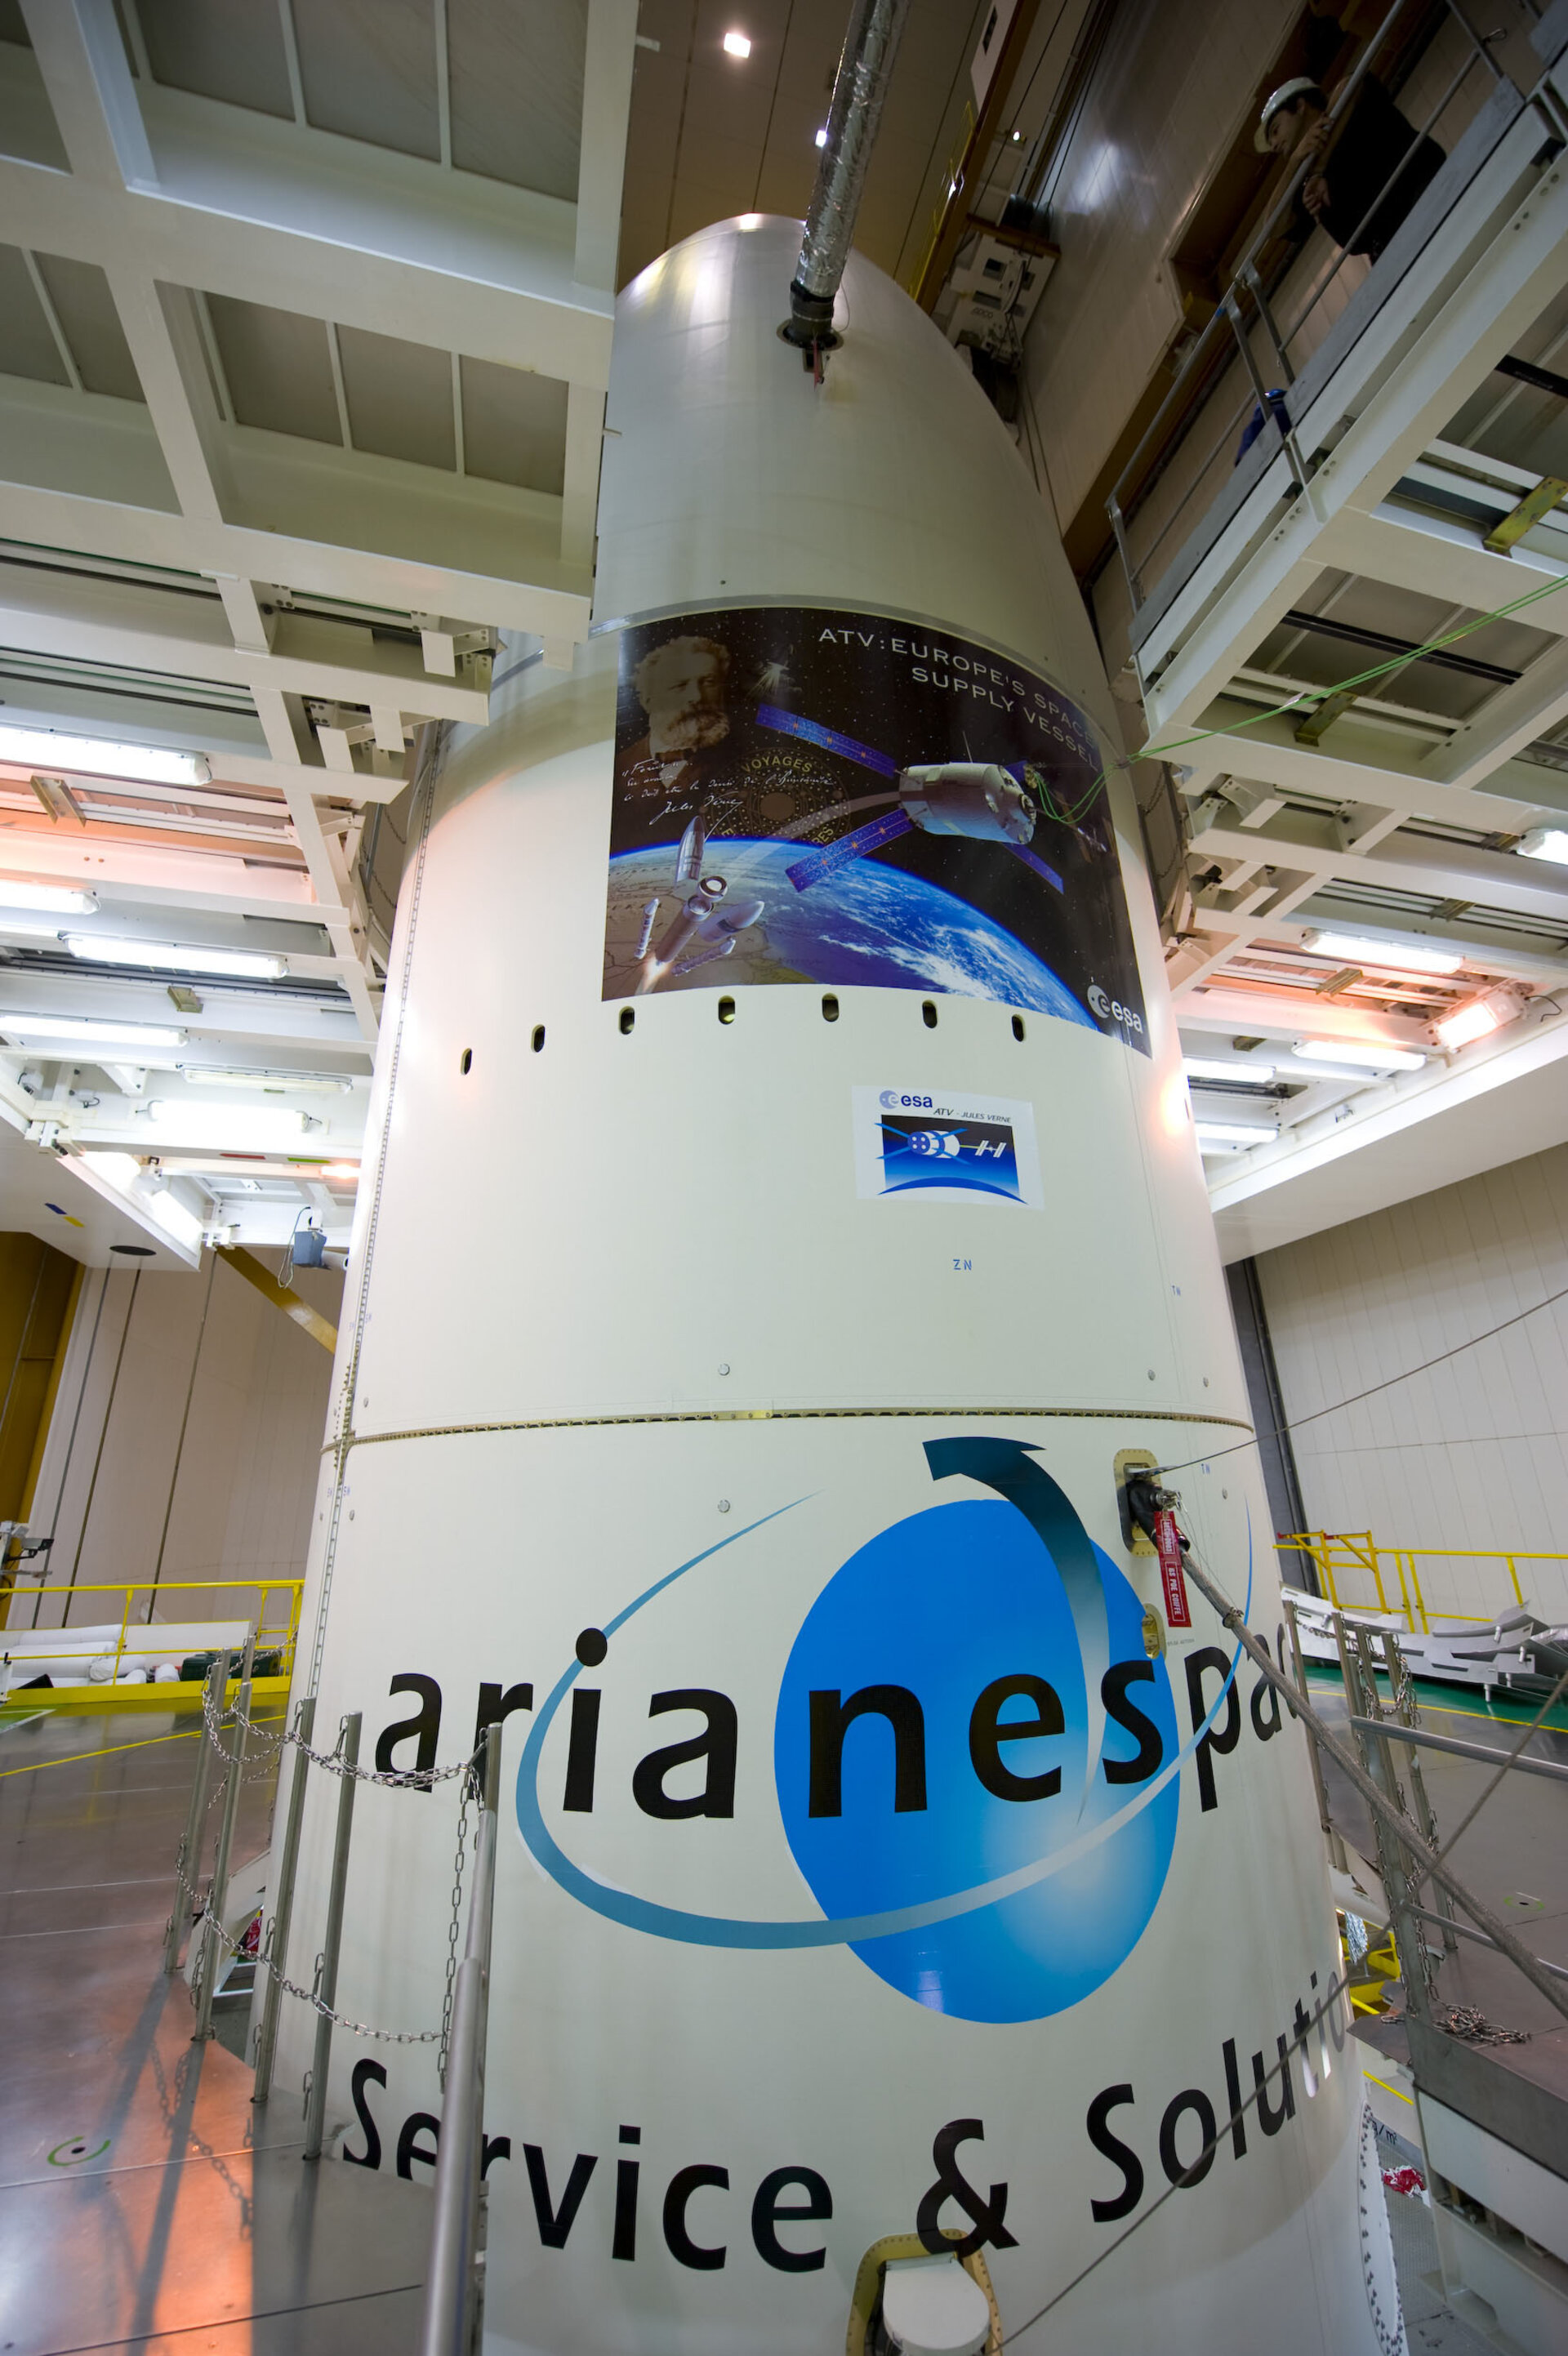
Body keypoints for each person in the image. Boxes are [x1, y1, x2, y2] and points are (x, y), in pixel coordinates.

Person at [1255, 73, 1445, 261]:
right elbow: (1273, 226)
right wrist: (1296, 160)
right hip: (1388, 248)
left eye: (1276, 130)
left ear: (1299, 106)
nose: (1274, 144)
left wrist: (1319, 166)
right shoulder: (1303, 177)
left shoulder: (1349, 104)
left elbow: (1353, 83)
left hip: (1425, 191)